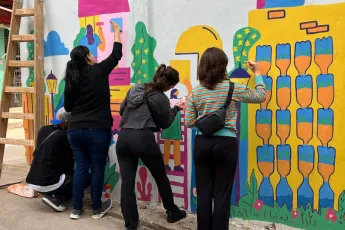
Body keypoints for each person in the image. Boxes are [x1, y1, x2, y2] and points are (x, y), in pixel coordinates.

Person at [185, 47, 266, 230]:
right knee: (222, 195)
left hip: (202, 144)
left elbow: (189, 122)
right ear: (223, 66)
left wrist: (205, 120)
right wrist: (257, 73)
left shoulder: (196, 92)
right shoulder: (233, 88)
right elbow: (260, 96)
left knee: (204, 194)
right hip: (226, 144)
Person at [116, 64, 187, 230]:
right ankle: (172, 211)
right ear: (170, 85)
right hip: (142, 138)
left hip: (124, 137)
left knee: (127, 183)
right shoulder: (160, 98)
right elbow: (166, 123)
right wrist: (176, 108)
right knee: (160, 175)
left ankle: (131, 225)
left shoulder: (135, 89)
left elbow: (121, 110)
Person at [64, 22, 122, 220]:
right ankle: (96, 209)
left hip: (75, 130)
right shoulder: (99, 70)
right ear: (88, 57)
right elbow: (116, 55)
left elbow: (69, 108)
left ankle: (76, 209)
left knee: (80, 167)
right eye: (90, 53)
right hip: (97, 129)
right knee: (97, 168)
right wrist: (115, 32)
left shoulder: (72, 79)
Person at [26, 107, 74, 212]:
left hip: (32, 179)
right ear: (66, 122)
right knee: (82, 177)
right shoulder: (63, 136)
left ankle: (51, 193)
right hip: (45, 181)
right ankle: (56, 198)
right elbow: (68, 163)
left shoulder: (43, 129)